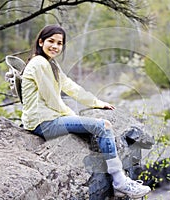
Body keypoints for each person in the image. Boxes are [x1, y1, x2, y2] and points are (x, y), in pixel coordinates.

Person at [20, 24, 151, 199]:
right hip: (43, 122)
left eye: (59, 43)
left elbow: (71, 87)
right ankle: (120, 182)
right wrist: (73, 117)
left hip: (47, 118)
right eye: (51, 41)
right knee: (103, 126)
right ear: (41, 42)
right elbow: (52, 99)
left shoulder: (51, 64)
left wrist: (96, 102)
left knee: (97, 123)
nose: (55, 46)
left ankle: (120, 181)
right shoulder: (38, 63)